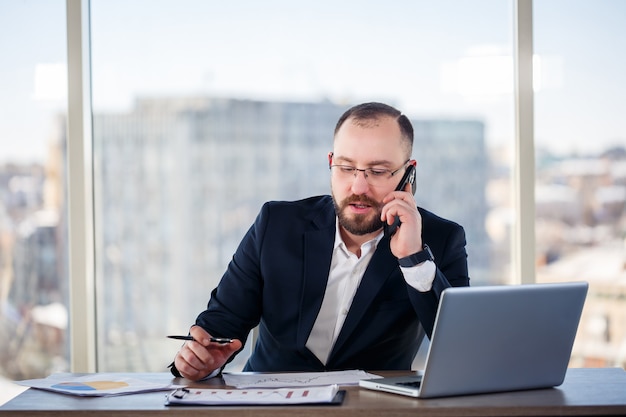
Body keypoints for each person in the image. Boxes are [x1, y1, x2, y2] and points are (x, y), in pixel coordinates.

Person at [170, 102, 470, 380]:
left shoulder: (440, 240)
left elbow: (462, 351)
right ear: (331, 162)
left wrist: (413, 259)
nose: (358, 186)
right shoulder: (276, 224)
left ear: (408, 172)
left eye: (377, 171)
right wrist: (202, 361)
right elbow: (221, 325)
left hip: (370, 411)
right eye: (346, 167)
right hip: (271, 407)